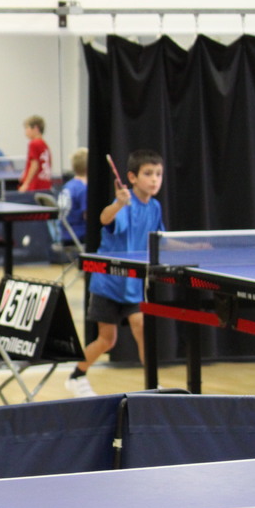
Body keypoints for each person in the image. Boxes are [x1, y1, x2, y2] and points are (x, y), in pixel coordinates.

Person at [65, 149, 165, 397]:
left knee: (141, 327)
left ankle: (152, 384)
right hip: (108, 283)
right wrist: (119, 203)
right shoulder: (124, 204)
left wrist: (193, 245)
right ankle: (76, 375)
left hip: (133, 285)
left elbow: (162, 240)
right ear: (132, 177)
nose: (154, 179)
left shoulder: (155, 207)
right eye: (148, 174)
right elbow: (104, 218)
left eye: (158, 174)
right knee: (107, 340)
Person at [59, 147, 89, 243]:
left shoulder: (67, 186)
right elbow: (87, 216)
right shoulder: (83, 189)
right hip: (78, 236)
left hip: (64, 234)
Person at [16, 115, 53, 192]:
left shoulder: (33, 143)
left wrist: (26, 183)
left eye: (27, 128)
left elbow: (34, 165)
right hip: (45, 184)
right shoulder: (44, 144)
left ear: (36, 128)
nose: (25, 132)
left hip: (35, 185)